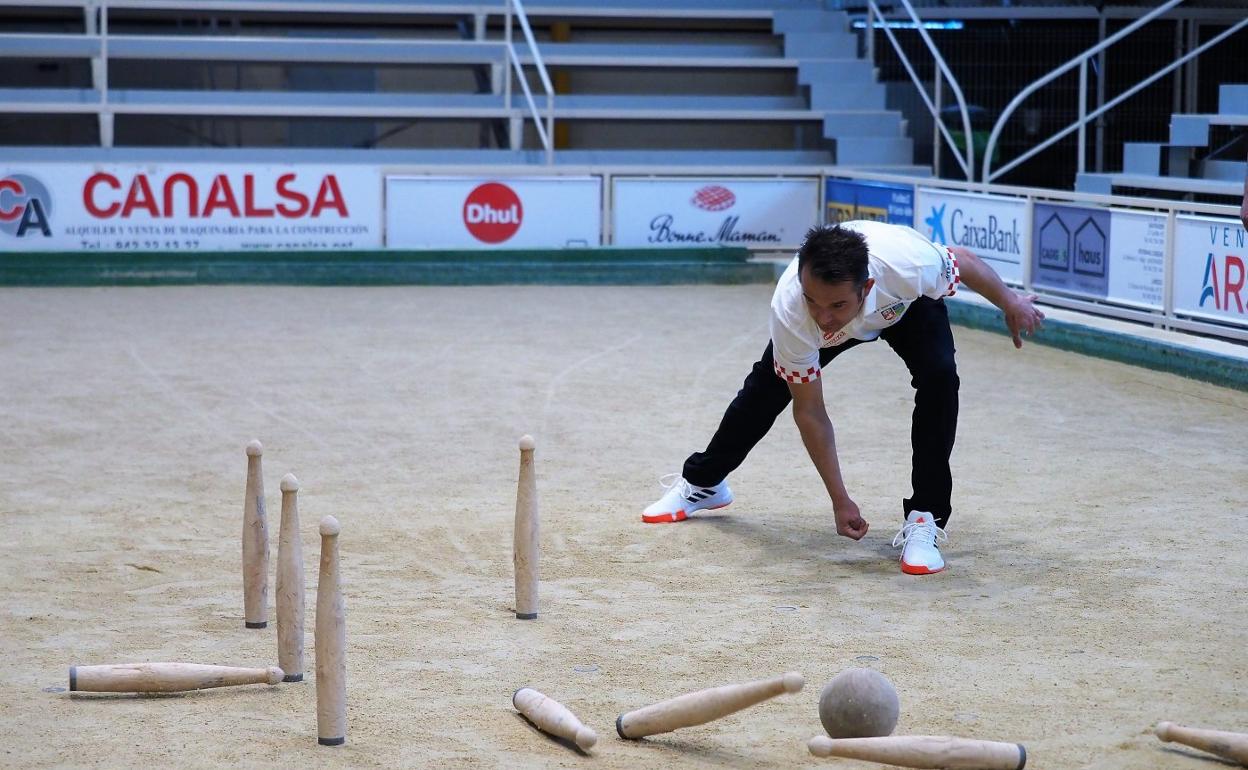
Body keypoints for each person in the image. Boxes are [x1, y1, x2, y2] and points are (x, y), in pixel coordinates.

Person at [641, 221, 1045, 575]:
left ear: (866, 287)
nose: (823, 316)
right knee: (766, 389)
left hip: (904, 308)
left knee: (940, 378)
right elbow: (811, 411)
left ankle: (926, 519)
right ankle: (705, 483)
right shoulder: (794, 311)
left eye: (836, 304)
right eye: (813, 300)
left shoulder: (910, 265)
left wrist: (1010, 302)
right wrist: (840, 499)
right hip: (845, 314)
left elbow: (965, 261)